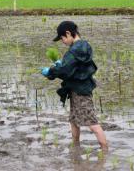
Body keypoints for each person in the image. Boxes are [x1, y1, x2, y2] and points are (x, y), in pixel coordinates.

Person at [41, 21, 108, 150]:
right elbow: (75, 67)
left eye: (62, 38)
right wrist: (62, 65)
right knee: (73, 120)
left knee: (92, 123)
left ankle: (105, 151)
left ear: (68, 33)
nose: (63, 41)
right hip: (77, 88)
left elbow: (64, 71)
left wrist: (50, 72)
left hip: (81, 91)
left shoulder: (73, 51)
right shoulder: (84, 46)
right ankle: (75, 147)